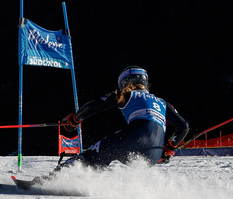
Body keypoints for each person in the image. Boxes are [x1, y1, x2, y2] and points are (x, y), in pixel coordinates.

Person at [58, 65, 189, 168]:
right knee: (106, 155)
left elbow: (95, 105)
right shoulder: (162, 102)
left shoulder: (128, 94)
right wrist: (170, 147)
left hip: (136, 137)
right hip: (154, 154)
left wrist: (75, 119)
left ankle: (59, 175)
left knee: (93, 154)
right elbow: (184, 126)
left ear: (126, 82)